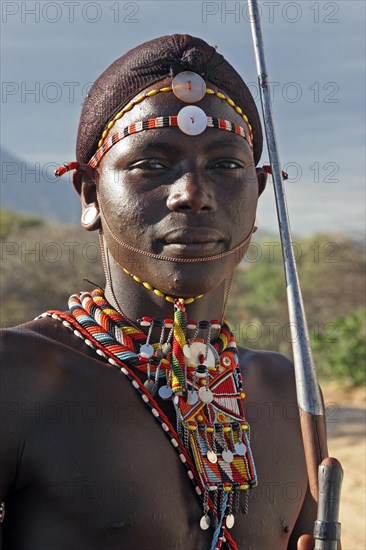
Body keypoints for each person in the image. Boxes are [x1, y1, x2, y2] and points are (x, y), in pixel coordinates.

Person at [0, 34, 319, 549]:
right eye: (151, 164)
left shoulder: (287, 391)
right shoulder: (18, 378)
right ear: (89, 194)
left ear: (258, 197)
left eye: (225, 165)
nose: (193, 194)